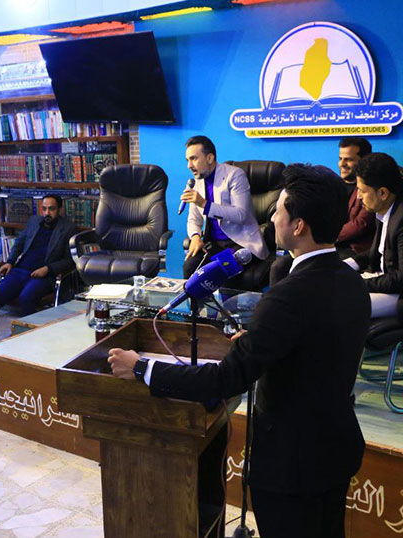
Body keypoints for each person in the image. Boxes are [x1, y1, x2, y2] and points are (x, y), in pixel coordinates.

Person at [108, 164, 370, 538]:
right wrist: (263, 340)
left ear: (298, 225)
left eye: (279, 210)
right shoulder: (352, 281)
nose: (273, 218)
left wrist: (142, 368)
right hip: (335, 450)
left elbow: (225, 380)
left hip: (291, 466)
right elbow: (317, 346)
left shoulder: (286, 297)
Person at [270, 137, 375, 285]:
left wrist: (327, 234)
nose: (342, 164)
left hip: (350, 249)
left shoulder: (369, 190)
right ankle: (278, 299)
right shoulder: (329, 186)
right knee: (279, 266)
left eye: (349, 160)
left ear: (363, 161)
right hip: (321, 243)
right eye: (340, 159)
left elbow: (360, 224)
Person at [0, 194, 75, 343]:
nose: (47, 213)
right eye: (44, 209)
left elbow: (69, 261)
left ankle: (29, 340)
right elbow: (19, 243)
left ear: (60, 209)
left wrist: (48, 269)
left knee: (26, 297)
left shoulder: (67, 228)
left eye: (51, 209)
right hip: (21, 270)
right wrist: (10, 262)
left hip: (44, 275)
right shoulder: (34, 222)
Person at [181, 135, 268, 286]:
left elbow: (241, 214)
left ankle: (228, 303)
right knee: (190, 267)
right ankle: (196, 303)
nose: (189, 165)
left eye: (193, 159)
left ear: (209, 158)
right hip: (214, 243)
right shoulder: (197, 182)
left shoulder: (234, 175)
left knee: (224, 268)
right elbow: (193, 219)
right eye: (187, 160)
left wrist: (205, 204)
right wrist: (195, 236)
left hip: (240, 242)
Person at [343, 153, 403, 319]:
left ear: (383, 192)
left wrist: (359, 283)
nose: (359, 196)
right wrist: (346, 265)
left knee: (341, 306)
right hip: (382, 279)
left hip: (397, 291)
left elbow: (401, 278)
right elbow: (378, 252)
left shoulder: (401, 219)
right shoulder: (383, 208)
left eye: (362, 191)